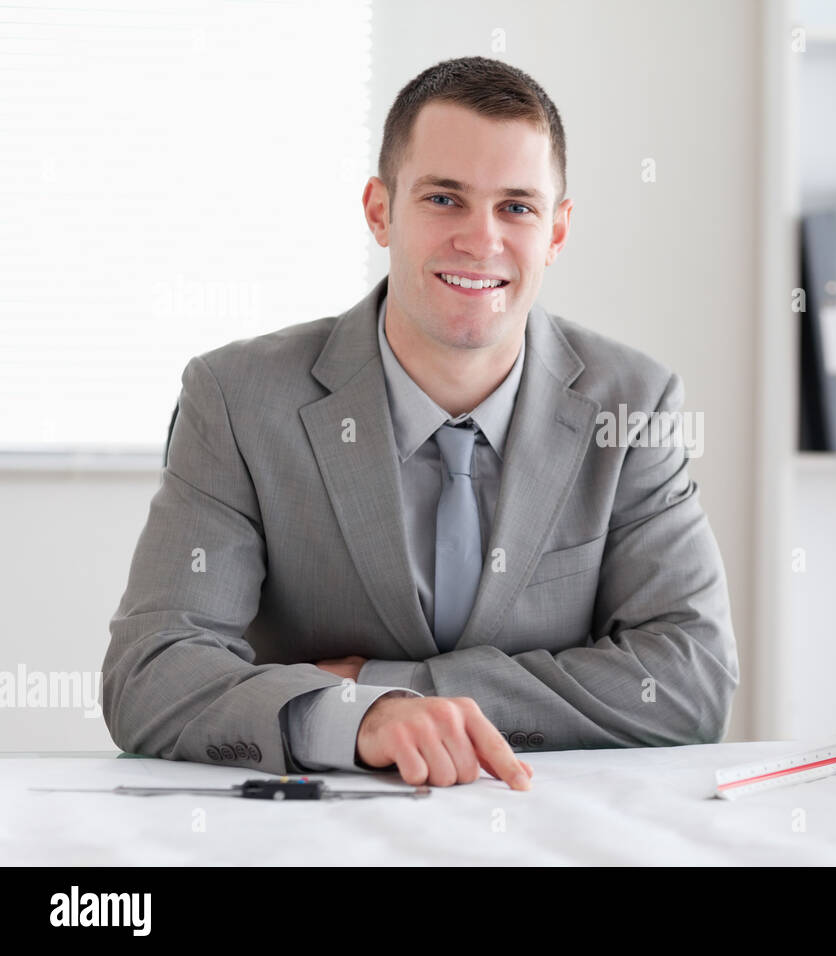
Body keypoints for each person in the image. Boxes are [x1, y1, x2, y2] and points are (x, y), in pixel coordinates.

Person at [102, 56, 738, 789]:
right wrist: (355, 723)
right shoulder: (238, 398)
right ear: (380, 210)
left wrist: (386, 689)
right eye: (444, 198)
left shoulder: (633, 405)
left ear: (558, 231)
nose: (481, 239)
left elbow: (692, 679)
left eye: (518, 207)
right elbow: (150, 672)